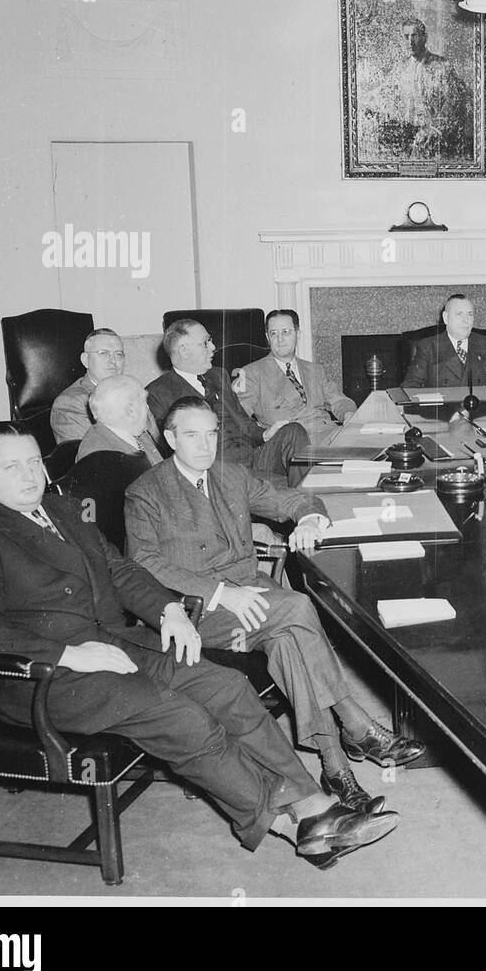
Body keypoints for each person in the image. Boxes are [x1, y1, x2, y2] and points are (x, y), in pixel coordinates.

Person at [0, 423, 398, 870]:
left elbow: (122, 572)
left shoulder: (62, 509)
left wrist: (168, 611)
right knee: (183, 717)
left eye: (33, 463)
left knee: (227, 686)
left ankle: (313, 802)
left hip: (116, 643)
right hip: (46, 676)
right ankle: (291, 822)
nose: (28, 476)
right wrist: (69, 655)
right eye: (11, 467)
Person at [124, 397, 425, 811]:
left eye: (212, 433)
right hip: (197, 611)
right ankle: (356, 722)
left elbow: (289, 498)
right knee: (299, 606)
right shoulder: (145, 492)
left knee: (287, 643)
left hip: (256, 596)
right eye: (192, 435)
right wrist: (221, 593)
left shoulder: (230, 475)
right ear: (170, 437)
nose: (205, 445)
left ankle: (336, 768)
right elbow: (144, 563)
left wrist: (310, 518)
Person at [147, 318, 308, 486]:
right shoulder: (159, 393)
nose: (213, 347)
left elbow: (243, 421)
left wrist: (264, 434)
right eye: (205, 342)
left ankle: (302, 492)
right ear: (184, 350)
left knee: (293, 431)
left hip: (252, 458)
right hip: (220, 474)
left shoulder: (219, 375)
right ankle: (300, 495)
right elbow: (173, 453)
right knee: (288, 485)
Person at [234, 309, 356, 443]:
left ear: (298, 334)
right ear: (268, 338)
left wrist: (347, 414)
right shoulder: (251, 373)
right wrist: (263, 433)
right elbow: (237, 416)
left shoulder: (315, 370)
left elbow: (339, 401)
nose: (280, 339)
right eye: (274, 333)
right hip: (291, 443)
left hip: (329, 435)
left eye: (286, 332)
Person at [377, 17, 471, 160]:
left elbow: (454, 101)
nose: (410, 41)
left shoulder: (442, 65)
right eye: (406, 36)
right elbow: (386, 95)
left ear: (424, 37)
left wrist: (433, 129)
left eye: (414, 36)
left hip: (436, 139)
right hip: (407, 138)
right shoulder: (400, 68)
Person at [52, 328, 159, 444]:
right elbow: (93, 457)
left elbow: (156, 442)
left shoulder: (133, 391)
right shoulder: (71, 404)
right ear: (85, 360)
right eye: (103, 353)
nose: (113, 360)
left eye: (118, 354)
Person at [401, 294, 486, 389]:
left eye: (470, 314)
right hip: (444, 410)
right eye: (459, 314)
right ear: (446, 318)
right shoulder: (428, 347)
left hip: (479, 410)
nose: (466, 320)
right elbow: (410, 386)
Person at [76, 375, 166, 464]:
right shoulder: (99, 453)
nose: (147, 409)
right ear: (130, 411)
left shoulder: (139, 435)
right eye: (144, 403)